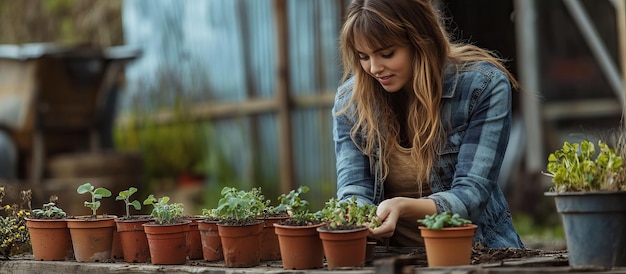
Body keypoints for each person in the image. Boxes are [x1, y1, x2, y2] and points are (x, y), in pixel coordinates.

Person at [332, 0, 524, 248]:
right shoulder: (351, 102)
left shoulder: (482, 87)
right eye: (363, 57)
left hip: (474, 253)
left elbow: (470, 197)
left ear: (419, 40)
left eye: (387, 54)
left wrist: (402, 207)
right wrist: (352, 215)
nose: (374, 68)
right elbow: (354, 190)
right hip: (388, 258)